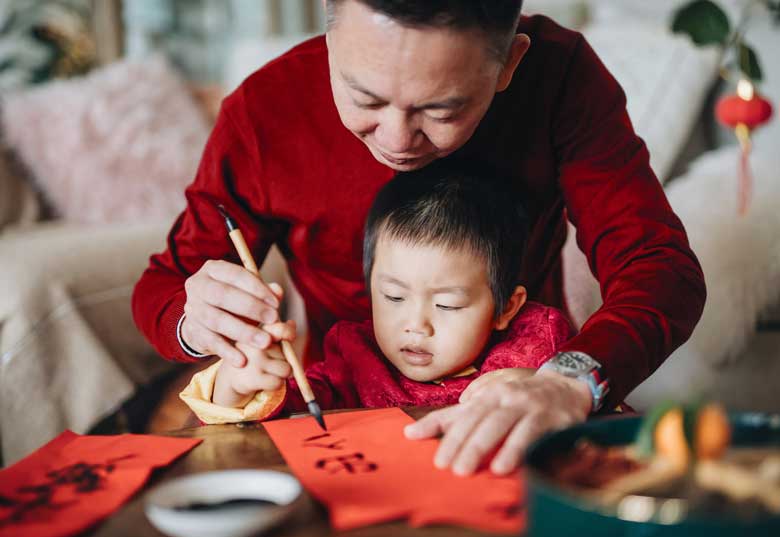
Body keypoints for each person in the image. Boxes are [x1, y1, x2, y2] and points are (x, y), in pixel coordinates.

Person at [132, 0, 705, 476]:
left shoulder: (558, 77)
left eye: (440, 108)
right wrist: (197, 316)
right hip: (343, 409)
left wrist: (572, 380)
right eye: (365, 99)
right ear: (331, 36)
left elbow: (658, 267)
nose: (397, 139)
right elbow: (163, 287)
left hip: (524, 392)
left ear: (509, 65)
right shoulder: (265, 111)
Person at [180, 162, 578, 468]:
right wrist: (237, 386)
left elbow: (607, 427)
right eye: (393, 296)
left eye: (447, 305)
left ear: (506, 307)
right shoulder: (354, 359)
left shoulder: (538, 346)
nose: (416, 325)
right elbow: (266, 435)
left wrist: (546, 386)